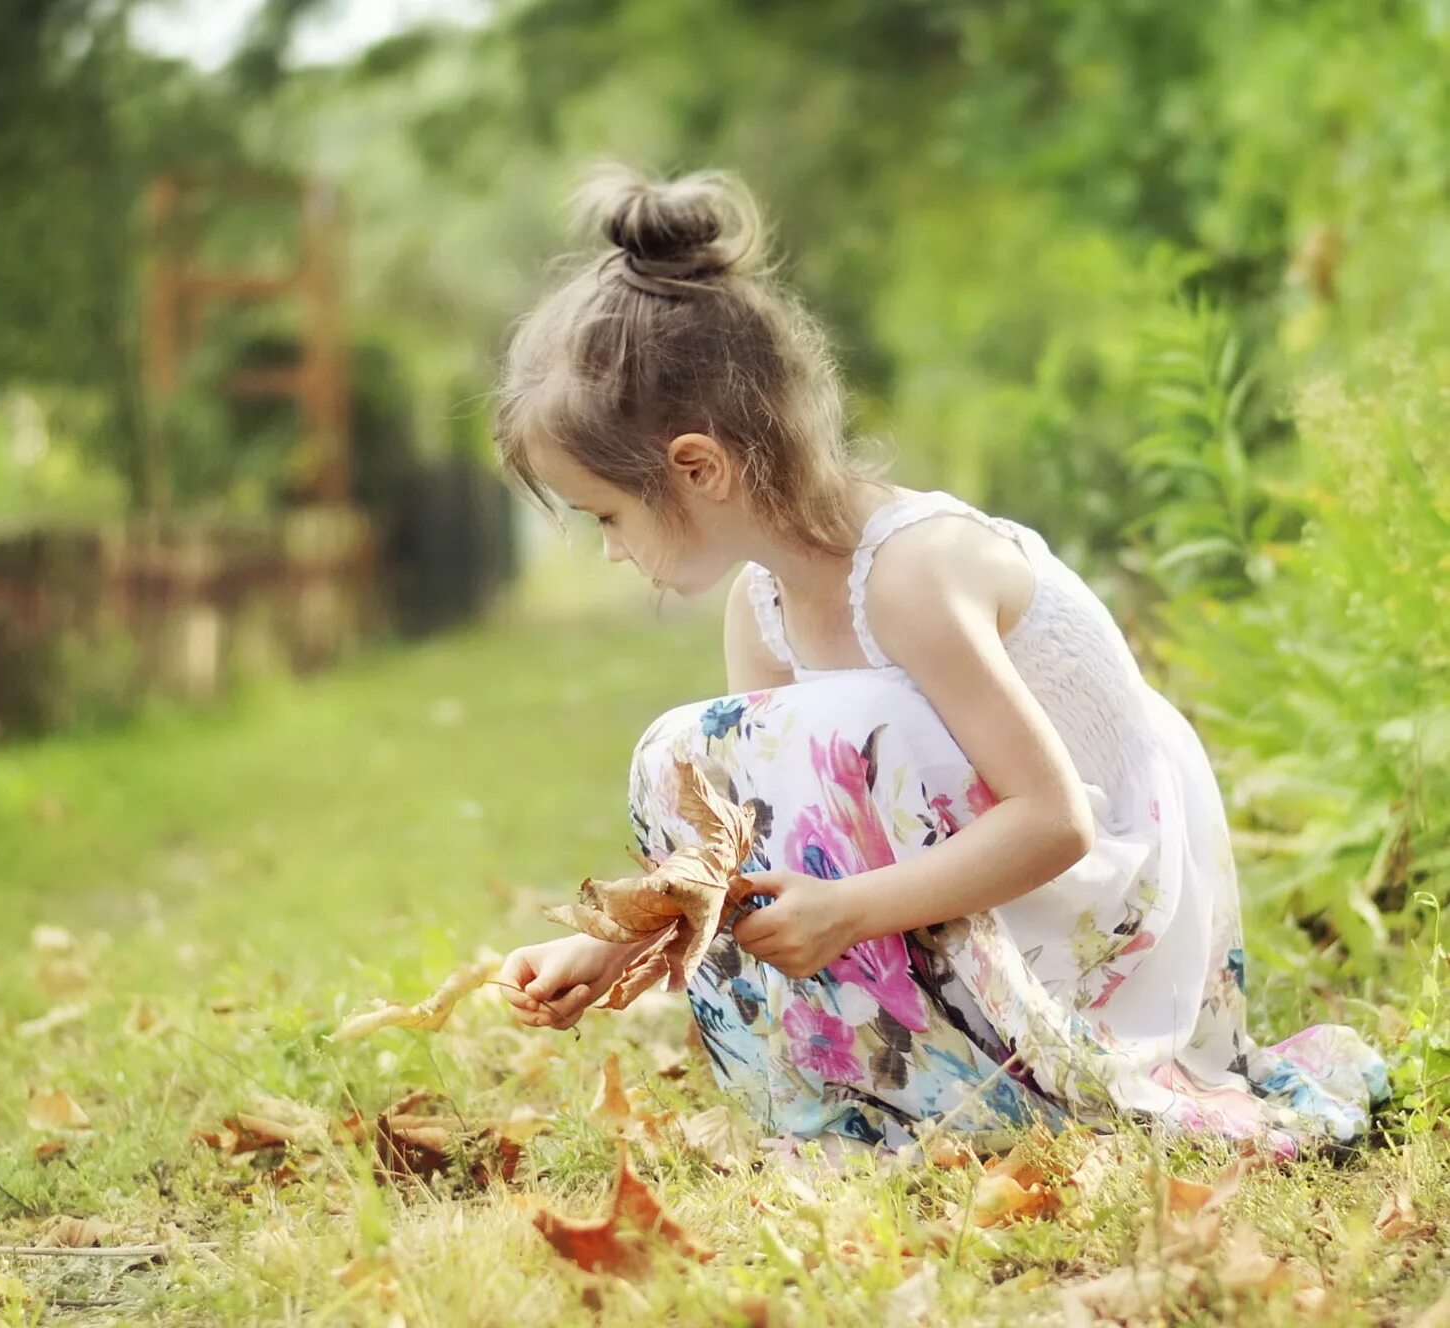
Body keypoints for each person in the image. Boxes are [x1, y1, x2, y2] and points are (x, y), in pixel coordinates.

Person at [491, 164, 1385, 1155]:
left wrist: (850, 908)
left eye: (607, 514)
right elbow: (755, 842)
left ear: (697, 466)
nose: (612, 547)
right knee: (721, 762)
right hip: (972, 876)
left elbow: (1057, 818)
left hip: (1104, 889)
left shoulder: (915, 571)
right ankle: (913, 1087)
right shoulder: (766, 602)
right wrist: (609, 941)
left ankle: (1024, 1077)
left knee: (721, 745)